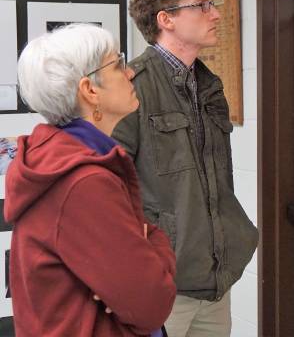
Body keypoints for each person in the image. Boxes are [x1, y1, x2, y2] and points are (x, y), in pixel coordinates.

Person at [112, 0, 258, 337]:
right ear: (166, 19)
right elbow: (108, 190)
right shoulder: (133, 88)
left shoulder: (209, 85)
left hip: (214, 281)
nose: (214, 14)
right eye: (202, 4)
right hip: (161, 287)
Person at [5, 24, 176, 337]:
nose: (130, 73)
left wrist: (143, 247)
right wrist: (154, 247)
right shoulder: (82, 182)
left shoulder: (65, 161)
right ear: (90, 90)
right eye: (119, 64)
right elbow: (151, 303)